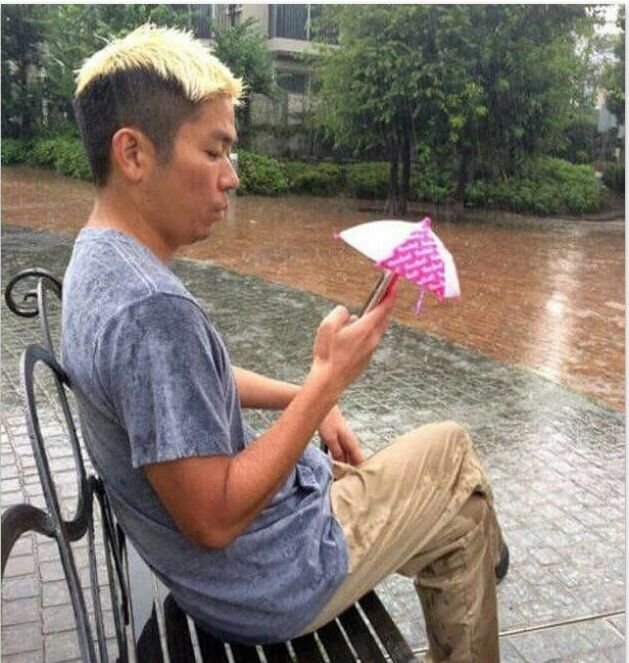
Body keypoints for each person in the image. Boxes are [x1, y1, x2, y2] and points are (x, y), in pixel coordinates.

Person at [62, 24, 507, 662]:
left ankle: (478, 536)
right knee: (454, 453)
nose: (231, 177)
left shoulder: (100, 263)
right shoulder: (151, 309)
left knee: (460, 517)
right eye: (214, 152)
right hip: (270, 578)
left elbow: (192, 387)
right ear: (133, 154)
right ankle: (487, 544)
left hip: (244, 562)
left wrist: (306, 396)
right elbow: (213, 519)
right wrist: (328, 382)